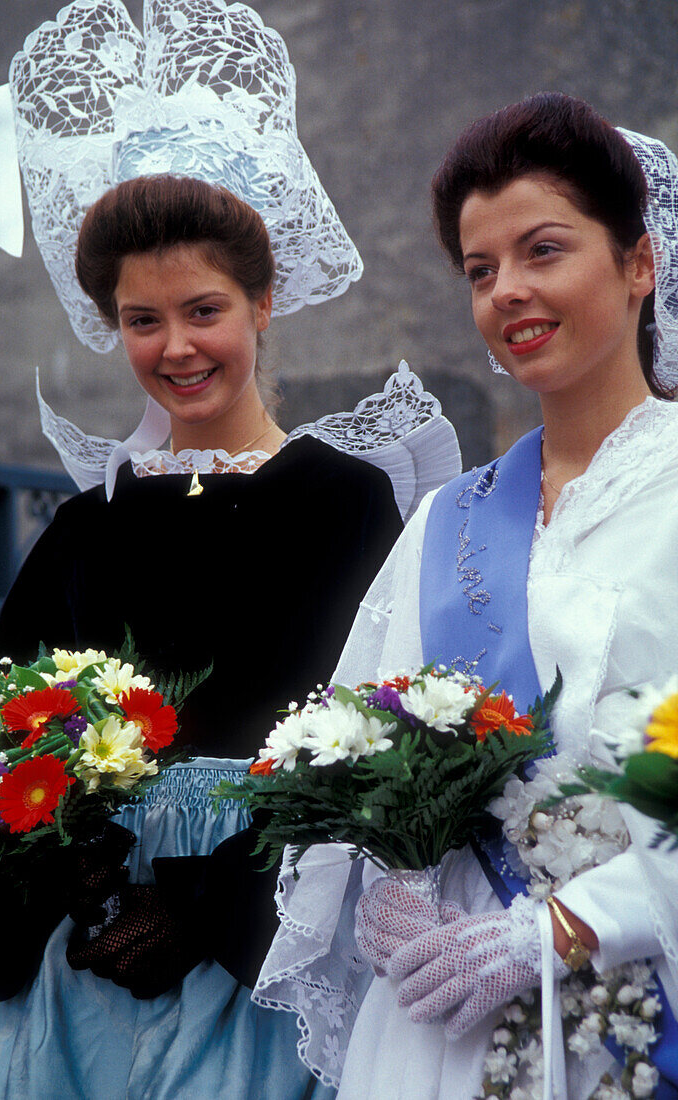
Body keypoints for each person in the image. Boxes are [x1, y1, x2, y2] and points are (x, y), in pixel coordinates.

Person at [0, 3, 461, 1098]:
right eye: (143, 320)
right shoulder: (92, 517)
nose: (176, 347)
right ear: (112, 325)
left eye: (203, 310)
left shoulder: (346, 500)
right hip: (76, 965)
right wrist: (74, 870)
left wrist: (197, 908)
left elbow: (359, 737)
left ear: (264, 302)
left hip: (250, 956)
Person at [255, 93, 678, 1099]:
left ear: (639, 263)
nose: (508, 292)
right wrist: (384, 879)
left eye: (543, 250)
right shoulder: (447, 517)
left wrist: (573, 922)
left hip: (626, 1009)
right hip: (434, 1017)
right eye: (481, 270)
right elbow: (359, 735)